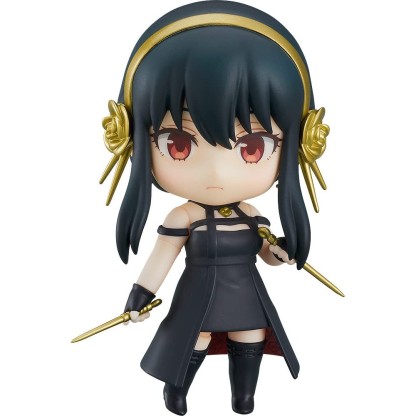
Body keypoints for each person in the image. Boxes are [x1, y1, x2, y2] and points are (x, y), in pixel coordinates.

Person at [100, 1, 329, 414]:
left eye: (252, 147)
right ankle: (176, 390)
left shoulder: (251, 216)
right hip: (199, 294)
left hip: (246, 291)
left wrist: (279, 252)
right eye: (179, 144)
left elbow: (266, 252)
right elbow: (163, 256)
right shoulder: (184, 217)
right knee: (196, 337)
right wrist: (141, 294)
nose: (216, 172)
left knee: (251, 334)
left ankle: (244, 395)